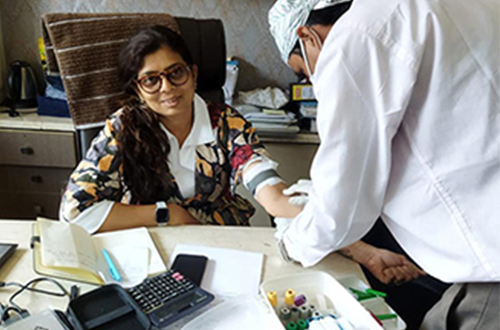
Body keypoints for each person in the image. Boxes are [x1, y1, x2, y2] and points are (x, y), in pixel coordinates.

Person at [60, 25, 422, 287]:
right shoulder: (122, 129)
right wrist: (168, 214)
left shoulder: (228, 124)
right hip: (146, 255)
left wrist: (362, 251)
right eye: (151, 80)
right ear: (138, 89)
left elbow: (278, 199)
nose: (167, 88)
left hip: (225, 252)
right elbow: (74, 212)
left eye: (176, 73)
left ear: (194, 73)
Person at [268, 0, 499, 328]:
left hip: (489, 265)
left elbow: (341, 200)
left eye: (304, 72)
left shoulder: (357, 35)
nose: (313, 82)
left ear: (306, 36)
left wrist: (292, 245)